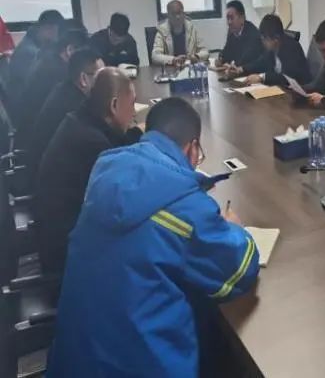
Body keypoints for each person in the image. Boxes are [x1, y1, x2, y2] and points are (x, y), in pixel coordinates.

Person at [47, 98, 260, 377]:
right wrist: (236, 228)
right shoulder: (184, 209)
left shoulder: (107, 171)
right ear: (192, 148)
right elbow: (240, 270)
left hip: (72, 362)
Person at [34, 67, 141, 275]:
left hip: (61, 237)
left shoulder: (80, 120)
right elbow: (125, 206)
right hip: (69, 257)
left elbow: (116, 140)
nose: (135, 112)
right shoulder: (93, 145)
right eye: (132, 104)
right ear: (114, 105)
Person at [26, 47, 104, 187]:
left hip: (45, 174)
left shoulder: (65, 90)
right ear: (83, 79)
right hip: (55, 186)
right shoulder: (75, 107)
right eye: (101, 76)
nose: (106, 82)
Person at [14, 28, 89, 142]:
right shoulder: (60, 73)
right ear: (69, 50)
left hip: (31, 132)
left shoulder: (49, 60)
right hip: (39, 138)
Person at [238, 14, 311, 87]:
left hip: (300, 89)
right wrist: (242, 69)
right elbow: (260, 63)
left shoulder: (292, 48)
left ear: (276, 38)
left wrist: (261, 77)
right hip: (280, 88)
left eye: (265, 39)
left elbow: (286, 77)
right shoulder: (272, 49)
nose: (263, 42)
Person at [7, 9, 63, 94]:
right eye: (57, 32)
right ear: (48, 29)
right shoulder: (29, 53)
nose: (57, 37)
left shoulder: (34, 43)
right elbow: (38, 85)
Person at [152, 0, 209, 66]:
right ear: (168, 15)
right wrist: (173, 59)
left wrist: (196, 56)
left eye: (179, 13)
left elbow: (205, 51)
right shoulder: (162, 30)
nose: (177, 17)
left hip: (189, 67)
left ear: (183, 13)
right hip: (171, 69)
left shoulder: (191, 28)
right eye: (173, 14)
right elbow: (155, 56)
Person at [215, 0, 263, 71]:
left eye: (232, 18)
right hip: (238, 73)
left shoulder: (253, 34)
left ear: (242, 18)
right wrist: (221, 59)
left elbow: (245, 60)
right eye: (227, 18)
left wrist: (232, 65)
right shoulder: (232, 31)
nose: (229, 22)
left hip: (250, 74)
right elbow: (226, 51)